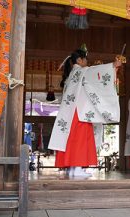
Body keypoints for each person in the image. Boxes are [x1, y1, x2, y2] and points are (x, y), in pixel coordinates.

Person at [48, 45, 124, 177]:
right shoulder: (80, 71)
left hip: (70, 113)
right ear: (79, 60)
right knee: (79, 139)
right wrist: (113, 65)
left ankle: (73, 168)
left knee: (71, 139)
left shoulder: (71, 75)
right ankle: (77, 168)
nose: (87, 63)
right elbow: (95, 72)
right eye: (85, 60)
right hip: (79, 113)